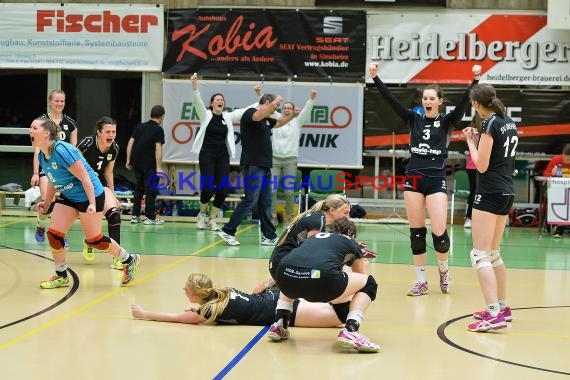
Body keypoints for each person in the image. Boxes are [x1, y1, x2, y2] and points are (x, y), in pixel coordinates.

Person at [369, 62, 481, 296]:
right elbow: (391, 101)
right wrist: (375, 78)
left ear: (440, 101)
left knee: (439, 233)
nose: (427, 102)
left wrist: (475, 81)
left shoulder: (448, 121)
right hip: (414, 177)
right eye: (425, 98)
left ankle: (443, 271)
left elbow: (462, 105)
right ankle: (421, 280)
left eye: (432, 99)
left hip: (436, 177)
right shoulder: (413, 118)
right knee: (416, 232)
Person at [30, 117, 140, 289]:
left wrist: (91, 203)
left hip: (91, 195)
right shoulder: (43, 155)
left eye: (34, 127)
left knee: (95, 240)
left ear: (46, 133)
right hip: (69, 195)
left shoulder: (62, 150)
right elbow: (52, 180)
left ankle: (128, 259)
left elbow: (85, 177)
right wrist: (47, 202)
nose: (30, 131)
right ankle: (61, 275)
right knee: (54, 234)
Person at [268, 218, 380, 353]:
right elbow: (360, 278)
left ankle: (280, 324)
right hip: (322, 278)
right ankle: (351, 330)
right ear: (354, 236)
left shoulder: (315, 237)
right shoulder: (351, 243)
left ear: (331, 230)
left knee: (293, 272)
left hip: (284, 274)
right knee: (369, 283)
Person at [462, 83, 516, 332]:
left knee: (479, 255)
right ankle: (502, 307)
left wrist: (470, 142)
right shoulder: (508, 121)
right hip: (507, 190)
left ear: (475, 104)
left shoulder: (490, 123)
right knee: (493, 253)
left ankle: (494, 314)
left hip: (490, 191)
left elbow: (481, 165)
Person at [131, 273, 346, 328]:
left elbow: (177, 318)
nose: (182, 290)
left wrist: (144, 313)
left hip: (278, 308)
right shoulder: (220, 293)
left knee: (338, 316)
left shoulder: (209, 309)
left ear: (196, 295)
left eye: (186, 289)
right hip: (271, 297)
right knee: (331, 306)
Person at [217, 94, 294, 246]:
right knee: (250, 200)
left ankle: (269, 235)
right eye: (273, 106)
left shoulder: (266, 120)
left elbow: (279, 123)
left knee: (265, 201)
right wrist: (276, 101)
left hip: (264, 166)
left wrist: (292, 115)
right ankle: (228, 230)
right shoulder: (250, 113)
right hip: (253, 165)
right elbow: (258, 116)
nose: (275, 109)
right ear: (266, 103)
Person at [190, 74, 257, 231]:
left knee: (223, 189)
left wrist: (260, 101)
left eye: (222, 99)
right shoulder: (205, 114)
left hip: (222, 156)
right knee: (207, 188)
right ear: (212, 103)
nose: (220, 101)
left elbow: (244, 111)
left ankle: (212, 218)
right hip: (207, 154)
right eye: (217, 99)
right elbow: (197, 101)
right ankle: (202, 214)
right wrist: (194, 86)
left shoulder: (226, 117)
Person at [252, 193, 351, 293]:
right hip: (283, 266)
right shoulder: (318, 222)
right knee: (329, 273)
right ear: (332, 210)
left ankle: (275, 283)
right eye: (345, 213)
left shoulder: (317, 217)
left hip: (279, 262)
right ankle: (274, 288)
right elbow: (313, 254)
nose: (348, 217)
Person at [263, 87, 317, 226]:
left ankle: (289, 217)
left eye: (289, 108)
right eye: (284, 107)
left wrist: (311, 98)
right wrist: (259, 93)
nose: (286, 109)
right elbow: (267, 106)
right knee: (272, 190)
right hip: (274, 160)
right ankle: (273, 216)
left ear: (293, 111)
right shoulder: (275, 119)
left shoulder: (297, 122)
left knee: (288, 192)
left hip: (290, 161)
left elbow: (307, 110)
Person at [31, 89, 77, 245]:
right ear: (50, 101)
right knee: (48, 203)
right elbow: (37, 149)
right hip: (47, 167)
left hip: (64, 171)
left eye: (62, 101)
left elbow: (74, 151)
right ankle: (40, 226)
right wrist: (36, 172)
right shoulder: (41, 122)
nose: (59, 104)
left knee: (65, 204)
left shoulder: (71, 123)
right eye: (56, 100)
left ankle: (60, 233)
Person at [77, 117, 123, 270]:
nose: (111, 134)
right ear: (99, 132)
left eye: (114, 131)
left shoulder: (114, 148)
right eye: (107, 131)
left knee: (114, 214)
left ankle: (118, 257)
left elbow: (109, 172)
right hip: (82, 182)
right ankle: (89, 240)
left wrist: (113, 194)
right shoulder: (87, 143)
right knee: (90, 215)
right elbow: (71, 161)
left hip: (100, 182)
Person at [125, 105, 166, 225]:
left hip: (138, 163)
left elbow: (130, 142)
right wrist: (158, 167)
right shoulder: (158, 130)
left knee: (138, 189)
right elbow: (158, 148)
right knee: (151, 191)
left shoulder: (140, 126)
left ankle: (135, 216)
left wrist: (129, 160)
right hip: (150, 165)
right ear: (162, 116)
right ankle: (150, 217)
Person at [542, 143, 570, 238]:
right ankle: (559, 228)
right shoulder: (556, 160)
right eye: (565, 159)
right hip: (559, 191)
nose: (567, 161)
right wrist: (552, 173)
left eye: (569, 160)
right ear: (562, 155)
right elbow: (545, 174)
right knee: (559, 199)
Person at [463, 114, 482, 229]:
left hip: (485, 166)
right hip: (472, 166)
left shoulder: (489, 131)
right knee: (474, 192)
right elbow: (472, 146)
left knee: (484, 193)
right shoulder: (472, 132)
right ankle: (469, 217)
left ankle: (481, 219)